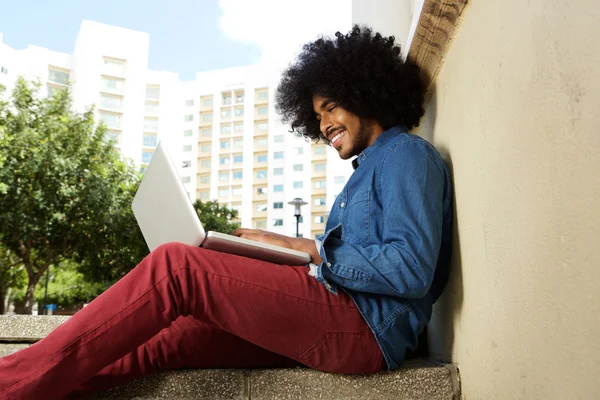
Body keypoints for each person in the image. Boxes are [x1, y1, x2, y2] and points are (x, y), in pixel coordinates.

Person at [0, 25, 453, 399]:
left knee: (177, 266)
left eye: (331, 107)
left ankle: (9, 381)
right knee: (171, 338)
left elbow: (411, 269)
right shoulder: (363, 173)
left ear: (367, 93)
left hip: (363, 329)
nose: (323, 125)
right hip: (334, 316)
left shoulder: (407, 156)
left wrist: (305, 248)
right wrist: (268, 253)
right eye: (316, 116)